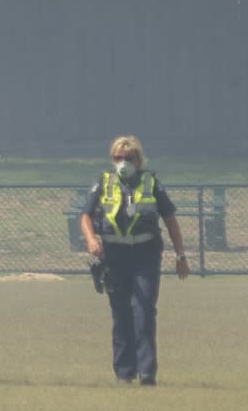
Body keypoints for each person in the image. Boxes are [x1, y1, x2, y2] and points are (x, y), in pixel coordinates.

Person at [78, 135, 189, 386]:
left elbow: (170, 219)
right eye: (118, 158)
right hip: (114, 256)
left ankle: (147, 372)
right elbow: (85, 215)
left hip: (145, 254)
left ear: (138, 160)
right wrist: (91, 240)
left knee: (144, 310)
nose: (123, 163)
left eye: (128, 158)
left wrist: (180, 255)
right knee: (121, 314)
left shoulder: (151, 184)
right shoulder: (103, 183)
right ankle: (124, 373)